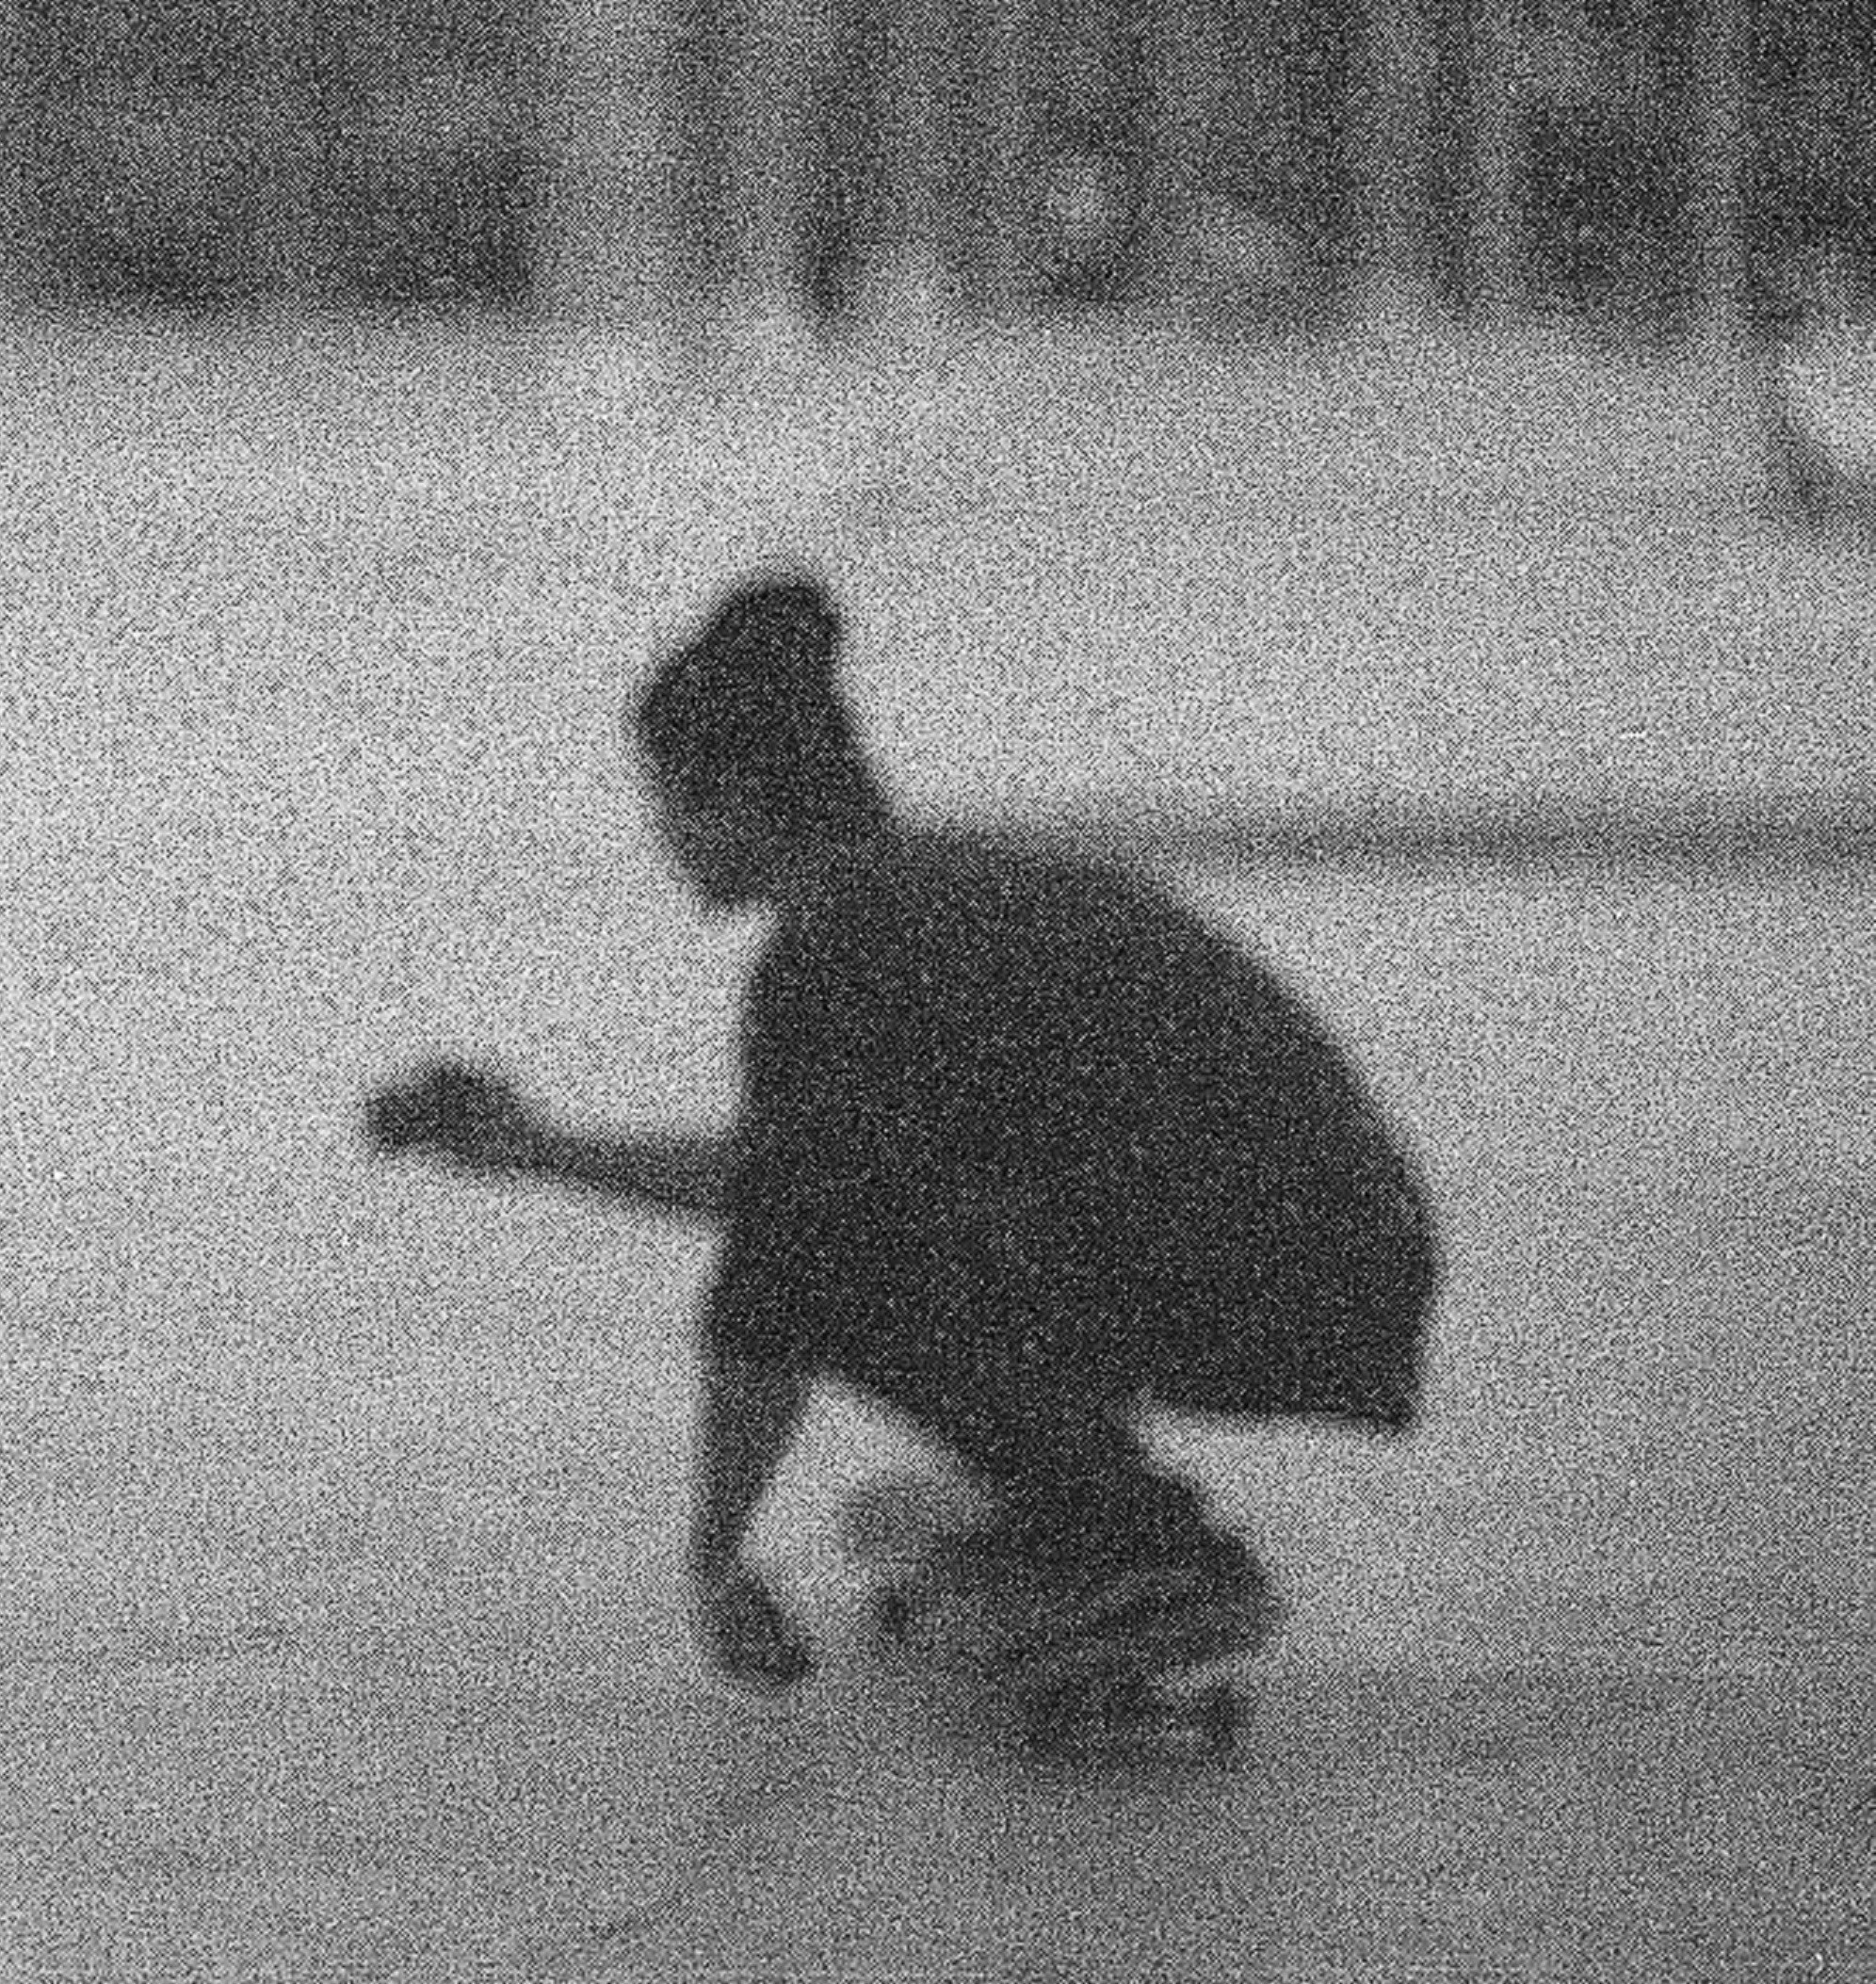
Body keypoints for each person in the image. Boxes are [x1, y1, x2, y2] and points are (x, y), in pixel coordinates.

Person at [364, 572, 1436, 1686]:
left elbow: (782, 1265)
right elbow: (794, 1175)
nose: (660, 835)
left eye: (664, 801)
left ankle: (1133, 1548)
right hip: (1329, 1254)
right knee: (871, 1230)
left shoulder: (845, 944)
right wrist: (541, 1149)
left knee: (841, 1268)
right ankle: (1083, 1509)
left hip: (1291, 1273)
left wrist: (715, 1560)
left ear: (731, 794)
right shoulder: (915, 897)